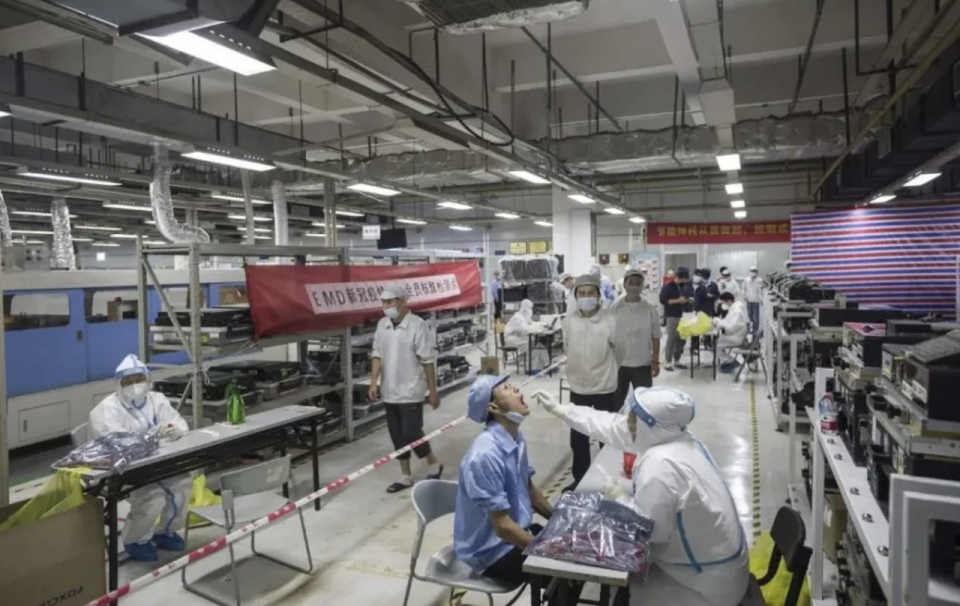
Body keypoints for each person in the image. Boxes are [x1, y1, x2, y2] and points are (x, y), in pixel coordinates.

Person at [531, 386, 749, 606]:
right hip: (717, 569)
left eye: (634, 418)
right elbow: (612, 426)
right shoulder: (678, 438)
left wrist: (620, 500)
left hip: (700, 589)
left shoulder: (661, 467)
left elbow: (647, 532)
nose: (628, 422)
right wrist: (563, 410)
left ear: (651, 425)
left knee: (619, 585)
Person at [89, 354, 191, 562]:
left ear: (148, 379)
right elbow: (116, 443)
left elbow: (179, 424)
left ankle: (165, 532)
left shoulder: (157, 400)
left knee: (182, 484)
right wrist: (150, 438)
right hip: (124, 468)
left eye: (139, 379)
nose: (135, 385)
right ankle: (134, 540)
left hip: (156, 462)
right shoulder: (108, 409)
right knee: (153, 496)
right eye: (129, 381)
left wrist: (173, 430)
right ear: (120, 384)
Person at [454, 375, 553, 586]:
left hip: (515, 533)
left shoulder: (516, 437)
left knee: (575, 548)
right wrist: (546, 551)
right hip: (492, 551)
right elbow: (502, 527)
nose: (517, 390)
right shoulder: (485, 455)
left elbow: (528, 488)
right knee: (566, 572)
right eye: (507, 389)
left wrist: (559, 519)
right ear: (493, 407)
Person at [369, 288, 444, 493]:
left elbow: (427, 360)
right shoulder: (382, 325)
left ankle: (432, 461)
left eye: (390, 302)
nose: (385, 307)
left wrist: (433, 390)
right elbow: (377, 353)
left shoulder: (417, 325)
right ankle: (405, 475)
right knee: (397, 435)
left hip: (411, 388)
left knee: (411, 432)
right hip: (389, 389)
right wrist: (374, 381)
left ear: (402, 302)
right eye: (383, 303)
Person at [562, 274, 619, 489]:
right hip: (578, 387)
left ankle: (610, 480)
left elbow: (618, 351)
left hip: (605, 387)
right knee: (578, 438)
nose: (586, 298)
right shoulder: (568, 321)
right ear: (575, 296)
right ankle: (581, 480)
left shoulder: (611, 320)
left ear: (598, 294)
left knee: (606, 436)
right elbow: (568, 349)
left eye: (590, 293)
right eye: (581, 294)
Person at [611, 269, 661, 409]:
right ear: (624, 284)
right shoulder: (615, 308)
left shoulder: (650, 309)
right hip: (618, 365)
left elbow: (656, 337)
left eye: (637, 283)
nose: (634, 286)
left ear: (642, 286)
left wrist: (655, 361)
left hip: (642, 365)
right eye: (630, 283)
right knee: (615, 403)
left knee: (644, 404)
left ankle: (641, 430)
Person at [659, 267, 694, 372]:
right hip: (672, 315)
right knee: (672, 339)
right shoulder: (668, 287)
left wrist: (688, 300)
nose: (685, 281)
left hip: (683, 315)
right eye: (684, 279)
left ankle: (677, 360)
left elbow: (685, 298)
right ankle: (667, 362)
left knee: (682, 338)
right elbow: (664, 301)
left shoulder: (683, 286)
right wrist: (679, 301)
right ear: (678, 277)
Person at [503, 299, 550, 371]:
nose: (531, 310)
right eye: (529, 308)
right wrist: (537, 329)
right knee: (532, 346)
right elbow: (524, 329)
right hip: (512, 338)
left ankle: (547, 365)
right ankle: (532, 368)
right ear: (525, 308)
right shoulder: (518, 317)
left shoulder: (525, 316)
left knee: (539, 345)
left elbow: (532, 323)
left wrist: (542, 324)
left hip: (520, 337)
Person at [714, 292, 749, 373]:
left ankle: (731, 361)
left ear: (729, 301)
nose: (723, 305)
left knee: (717, 344)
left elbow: (731, 328)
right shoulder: (733, 309)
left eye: (723, 302)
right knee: (718, 341)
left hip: (737, 337)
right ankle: (728, 361)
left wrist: (720, 323)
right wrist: (719, 321)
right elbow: (727, 321)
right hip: (735, 335)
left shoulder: (737, 312)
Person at [744, 266, 763, 336]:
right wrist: (744, 295)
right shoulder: (746, 280)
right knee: (749, 315)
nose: (753, 273)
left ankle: (755, 330)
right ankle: (751, 327)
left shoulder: (760, 280)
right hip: (749, 300)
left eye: (754, 271)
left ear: (757, 273)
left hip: (756, 301)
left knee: (756, 316)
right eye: (751, 271)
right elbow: (744, 288)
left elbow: (762, 291)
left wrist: (761, 300)